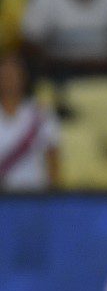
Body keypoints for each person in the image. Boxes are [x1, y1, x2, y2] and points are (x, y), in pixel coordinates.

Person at [0, 54, 59, 192]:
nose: (9, 80)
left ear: (23, 78)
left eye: (14, 75)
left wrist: (55, 196)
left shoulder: (41, 114)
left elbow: (53, 157)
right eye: (4, 75)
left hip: (33, 196)